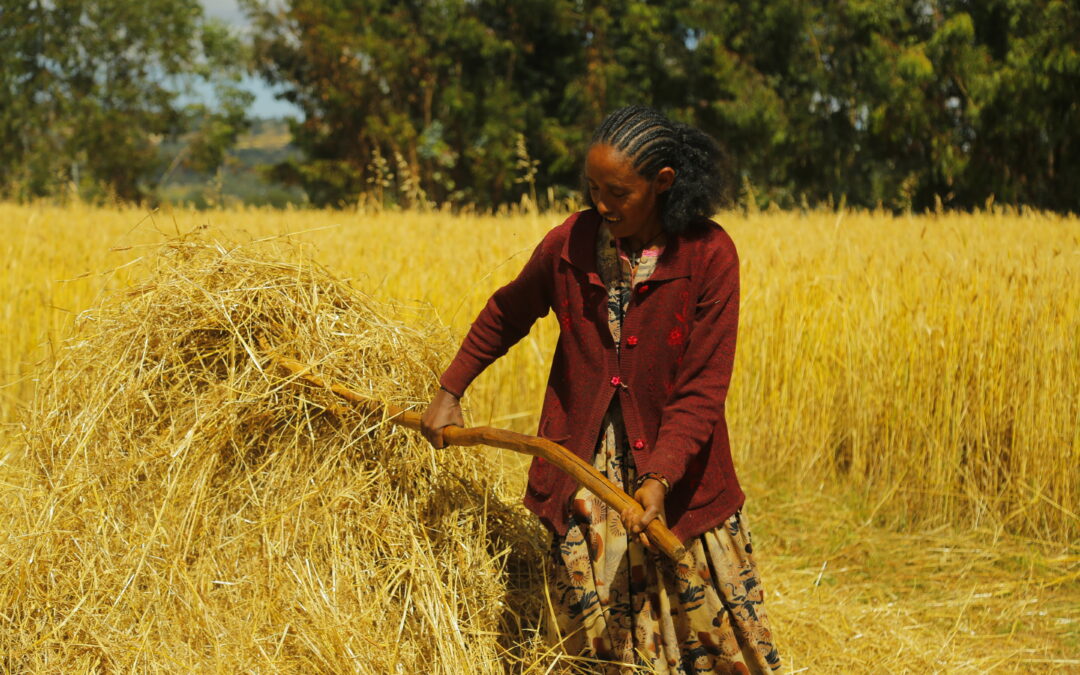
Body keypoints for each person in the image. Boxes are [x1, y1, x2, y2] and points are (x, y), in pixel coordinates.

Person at [421, 105, 782, 674]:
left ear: (663, 183)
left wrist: (659, 476)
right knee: (593, 645)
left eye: (618, 192)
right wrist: (451, 387)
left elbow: (701, 389)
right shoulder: (571, 241)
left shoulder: (709, 255)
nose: (602, 205)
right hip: (580, 468)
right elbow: (508, 311)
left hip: (679, 483)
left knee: (705, 636)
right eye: (592, 189)